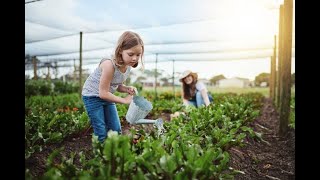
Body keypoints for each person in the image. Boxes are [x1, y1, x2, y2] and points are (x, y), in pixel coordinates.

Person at [81, 31, 144, 142]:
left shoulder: (128, 65)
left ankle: (113, 154)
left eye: (138, 55)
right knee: (101, 131)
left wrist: (126, 88)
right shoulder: (109, 64)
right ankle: (101, 156)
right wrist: (124, 100)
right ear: (120, 50)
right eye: (131, 54)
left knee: (116, 129)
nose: (134, 58)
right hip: (92, 97)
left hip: (106, 96)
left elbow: (116, 85)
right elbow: (103, 93)